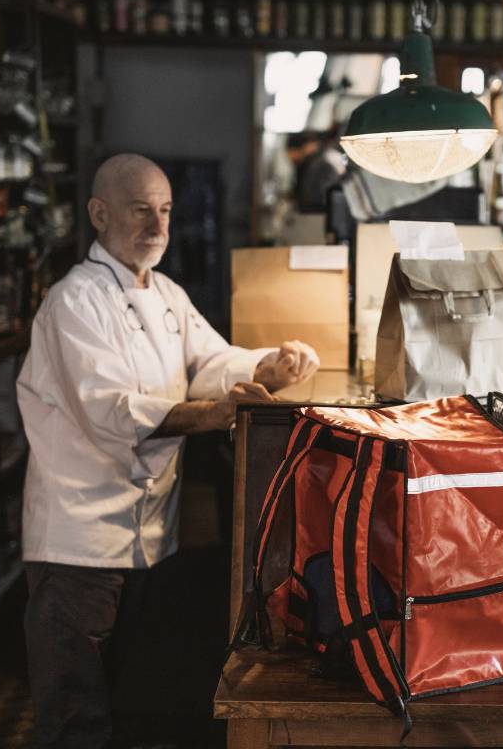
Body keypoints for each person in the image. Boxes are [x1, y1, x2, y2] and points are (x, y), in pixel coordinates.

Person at [16, 153, 320, 747]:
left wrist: (271, 366)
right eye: (140, 211)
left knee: (125, 699)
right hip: (77, 544)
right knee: (74, 711)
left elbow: (209, 361)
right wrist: (213, 413)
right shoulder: (72, 302)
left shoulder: (166, 294)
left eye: (165, 211)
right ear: (99, 214)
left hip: (145, 537)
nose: (158, 227)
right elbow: (109, 410)